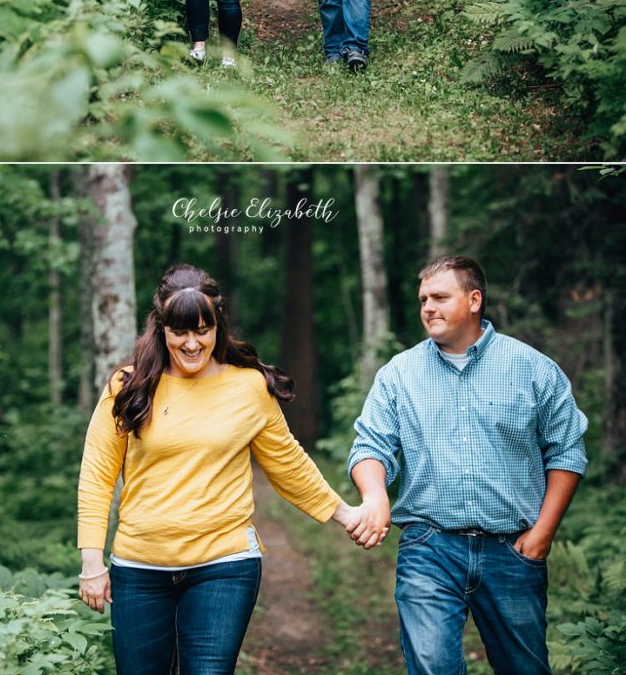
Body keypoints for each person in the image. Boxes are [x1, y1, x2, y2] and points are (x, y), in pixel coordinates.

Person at [77, 263, 379, 675]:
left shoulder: (248, 386)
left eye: (202, 330)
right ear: (161, 327)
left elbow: (287, 464)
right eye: (179, 331)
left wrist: (346, 515)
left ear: (217, 325)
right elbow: (97, 474)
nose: (190, 343)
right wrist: (92, 564)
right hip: (140, 569)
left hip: (224, 565)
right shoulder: (129, 387)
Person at [346, 255, 588, 675]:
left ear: (474, 300)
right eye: (423, 299)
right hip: (429, 547)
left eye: (440, 297)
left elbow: (566, 451)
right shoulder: (398, 374)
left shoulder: (532, 368)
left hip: (513, 550)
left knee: (524, 668)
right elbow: (370, 446)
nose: (428, 308)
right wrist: (374, 496)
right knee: (432, 666)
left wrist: (542, 535)